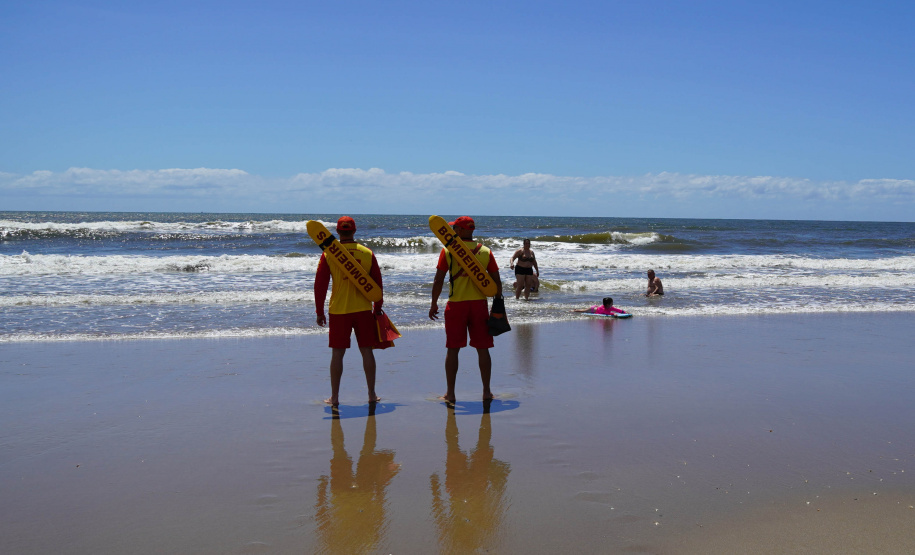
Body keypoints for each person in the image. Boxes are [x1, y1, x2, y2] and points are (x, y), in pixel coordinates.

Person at [429, 216, 503, 403]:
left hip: (456, 305)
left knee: (453, 349)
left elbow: (438, 280)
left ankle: (450, 394)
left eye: (455, 229)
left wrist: (434, 303)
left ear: (461, 231)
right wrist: (497, 306)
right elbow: (496, 282)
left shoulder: (448, 251)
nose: (453, 232)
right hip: (479, 305)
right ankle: (486, 391)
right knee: (483, 349)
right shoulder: (486, 251)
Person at [314, 216, 384, 407]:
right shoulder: (367, 253)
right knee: (367, 351)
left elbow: (320, 285)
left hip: (339, 310)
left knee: (337, 354)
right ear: (354, 231)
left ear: (337, 231)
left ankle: (334, 397)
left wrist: (319, 311)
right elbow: (378, 284)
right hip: (363, 309)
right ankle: (371, 394)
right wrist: (377, 308)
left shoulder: (329, 253)